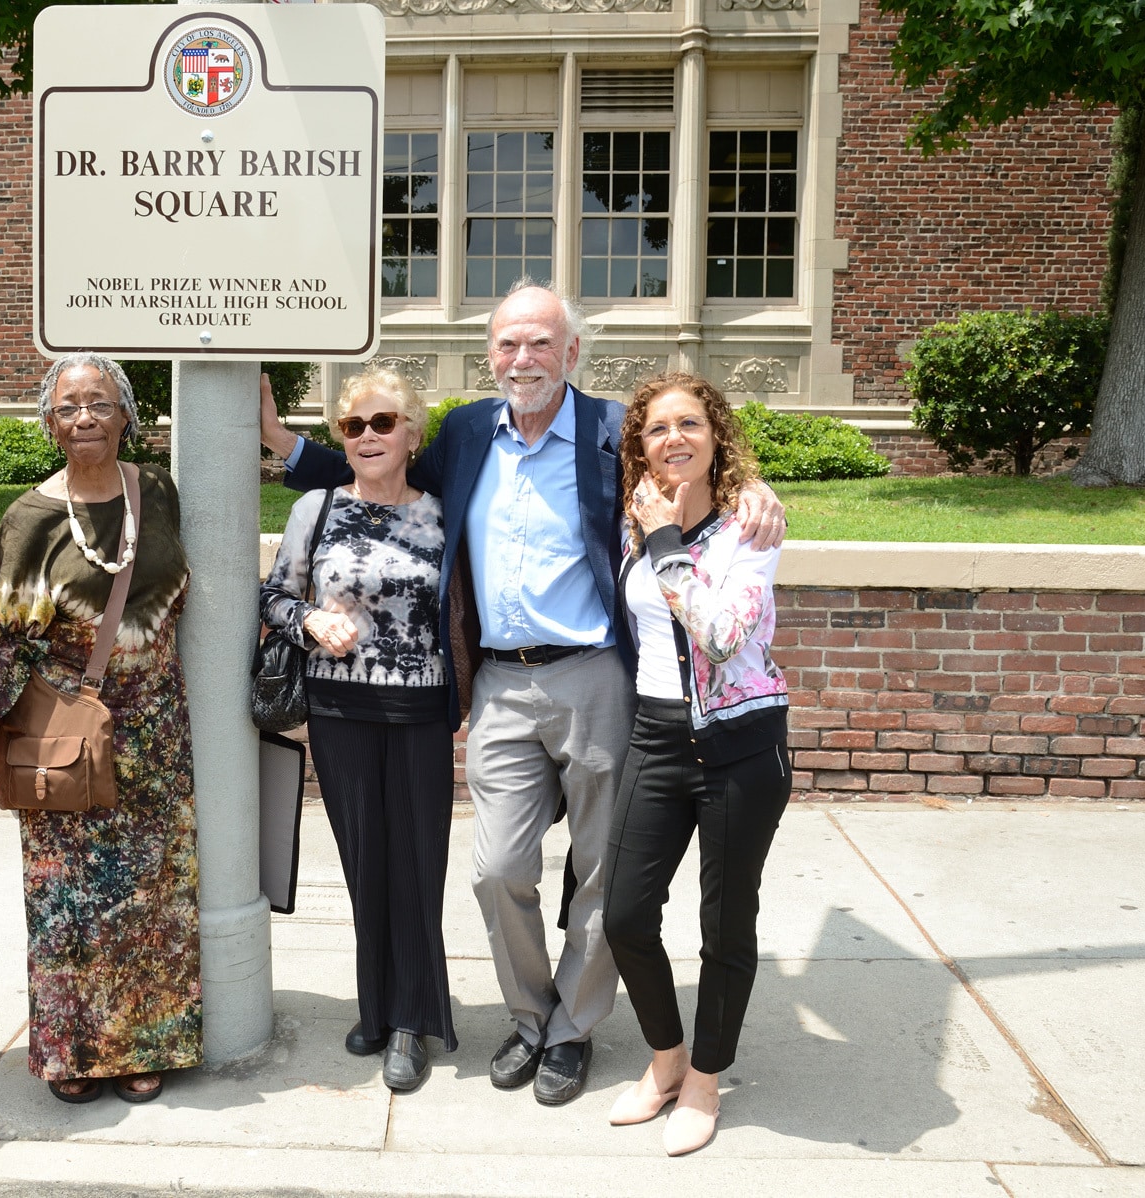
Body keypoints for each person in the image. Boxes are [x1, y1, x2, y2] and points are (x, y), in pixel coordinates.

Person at [263, 280, 786, 1105]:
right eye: (508, 344)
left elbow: (695, 463)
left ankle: (572, 1033)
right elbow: (381, 467)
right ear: (490, 356)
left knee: (599, 875)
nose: (523, 358)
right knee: (497, 868)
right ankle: (529, 1015)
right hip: (502, 680)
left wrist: (755, 494)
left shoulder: (613, 429)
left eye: (541, 342)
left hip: (596, 676)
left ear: (572, 353)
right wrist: (291, 450)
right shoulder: (471, 430)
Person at [0, 352, 200, 1106]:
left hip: (157, 730)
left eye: (99, 403)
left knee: (152, 894)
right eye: (69, 407)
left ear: (127, 414)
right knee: (67, 896)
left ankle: (145, 1042)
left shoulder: (156, 492)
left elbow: (180, 592)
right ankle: (72, 1049)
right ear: (49, 422)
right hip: (68, 730)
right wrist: (0, 742)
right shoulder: (31, 519)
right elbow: (3, 639)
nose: (85, 418)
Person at [602, 371, 792, 1156]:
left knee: (725, 923)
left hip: (738, 744)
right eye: (655, 428)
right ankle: (667, 1057)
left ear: (716, 436)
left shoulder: (751, 530)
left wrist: (667, 543)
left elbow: (719, 635)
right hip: (654, 735)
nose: (672, 438)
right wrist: (651, 533)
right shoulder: (632, 520)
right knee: (622, 914)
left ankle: (707, 1079)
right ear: (639, 448)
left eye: (689, 423)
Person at [259, 368, 456, 1094]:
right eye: (354, 426)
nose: (368, 437)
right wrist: (309, 620)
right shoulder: (317, 507)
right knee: (364, 862)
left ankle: (410, 1019)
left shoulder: (442, 512)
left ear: (411, 433)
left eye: (383, 423)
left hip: (419, 712)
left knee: (416, 863)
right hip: (339, 710)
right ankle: (376, 1004)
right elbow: (273, 594)